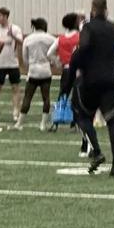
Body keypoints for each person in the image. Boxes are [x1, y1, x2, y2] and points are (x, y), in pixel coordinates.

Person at [69, 0, 114, 175]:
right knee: (112, 123)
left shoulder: (87, 27)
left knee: (81, 114)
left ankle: (96, 150)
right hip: (110, 81)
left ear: (93, 9)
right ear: (106, 8)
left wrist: (77, 61)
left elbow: (85, 47)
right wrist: (110, 55)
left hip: (91, 81)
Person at [49, 13, 86, 149]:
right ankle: (75, 123)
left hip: (66, 69)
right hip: (78, 70)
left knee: (62, 94)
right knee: (77, 98)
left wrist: (58, 61)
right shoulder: (80, 37)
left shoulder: (61, 38)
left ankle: (55, 122)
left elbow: (49, 53)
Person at [17, 18, 56, 131]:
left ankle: (20, 123)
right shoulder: (51, 38)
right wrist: (52, 62)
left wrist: (28, 65)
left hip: (33, 70)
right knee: (46, 98)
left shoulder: (28, 39)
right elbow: (54, 52)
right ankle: (43, 124)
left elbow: (24, 58)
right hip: (46, 70)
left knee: (27, 97)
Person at [0, 7, 24, 124]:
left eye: (0, 16)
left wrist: (12, 36)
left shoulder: (15, 28)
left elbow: (21, 41)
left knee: (15, 88)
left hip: (12, 63)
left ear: (6, 16)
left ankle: (16, 112)